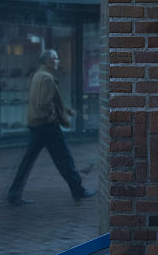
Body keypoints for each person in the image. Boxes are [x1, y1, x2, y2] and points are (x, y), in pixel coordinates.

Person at [7, 49, 95, 206]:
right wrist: (54, 119)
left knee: (28, 161)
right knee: (65, 160)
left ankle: (14, 194)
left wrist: (67, 111)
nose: (58, 61)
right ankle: (78, 190)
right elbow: (45, 104)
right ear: (48, 61)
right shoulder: (47, 78)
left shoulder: (38, 75)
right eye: (56, 58)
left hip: (36, 125)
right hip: (47, 127)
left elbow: (51, 101)